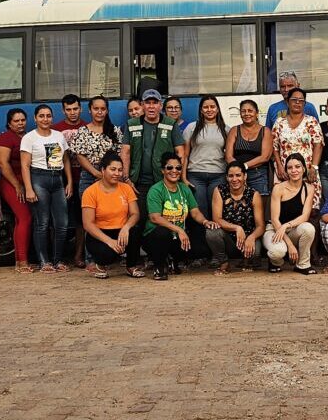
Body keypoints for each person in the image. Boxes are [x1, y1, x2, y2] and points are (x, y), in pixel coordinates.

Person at [143, 152, 219, 280]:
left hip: (178, 237)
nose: (174, 171)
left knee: (201, 249)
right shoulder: (156, 190)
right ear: (162, 170)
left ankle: (173, 259)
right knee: (162, 233)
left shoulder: (184, 189)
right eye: (169, 168)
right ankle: (159, 266)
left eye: (178, 168)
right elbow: (154, 217)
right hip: (156, 237)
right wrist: (178, 229)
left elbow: (195, 212)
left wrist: (205, 221)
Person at [20, 104, 73, 273]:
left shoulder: (58, 136)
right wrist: (28, 188)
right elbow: (24, 165)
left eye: (48, 116)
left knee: (62, 224)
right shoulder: (29, 138)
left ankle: (58, 260)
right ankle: (45, 262)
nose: (45, 119)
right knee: (42, 223)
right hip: (38, 178)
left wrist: (69, 182)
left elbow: (65, 161)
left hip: (57, 179)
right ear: (35, 118)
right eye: (41, 116)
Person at [120, 89, 186, 222]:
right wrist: (126, 179)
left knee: (164, 219)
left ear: (160, 106)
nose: (151, 106)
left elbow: (180, 153)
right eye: (148, 103)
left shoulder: (170, 124)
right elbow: (125, 152)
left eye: (154, 103)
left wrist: (178, 176)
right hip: (138, 184)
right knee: (139, 219)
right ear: (142, 105)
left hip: (163, 182)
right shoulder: (132, 124)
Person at [81, 151, 144, 279]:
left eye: (120, 170)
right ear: (103, 170)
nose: (117, 173)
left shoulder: (126, 188)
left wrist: (126, 228)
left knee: (135, 232)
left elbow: (135, 213)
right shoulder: (90, 191)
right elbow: (88, 224)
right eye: (113, 169)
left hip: (121, 231)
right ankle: (100, 265)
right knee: (107, 253)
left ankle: (131, 266)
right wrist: (109, 241)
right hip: (100, 234)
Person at [206, 161, 265, 275]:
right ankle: (224, 263)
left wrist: (252, 237)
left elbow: (261, 226)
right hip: (228, 239)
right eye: (231, 176)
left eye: (238, 175)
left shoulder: (253, 194)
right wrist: (237, 228)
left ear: (245, 176)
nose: (234, 179)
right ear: (226, 177)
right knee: (211, 232)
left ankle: (247, 261)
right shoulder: (219, 191)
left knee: (256, 252)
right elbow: (216, 219)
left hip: (247, 239)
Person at [263, 153, 317, 274]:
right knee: (277, 252)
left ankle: (303, 264)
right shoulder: (278, 188)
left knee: (308, 228)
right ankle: (275, 262)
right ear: (286, 170)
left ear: (303, 169)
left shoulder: (309, 188)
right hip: (274, 229)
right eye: (290, 168)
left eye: (297, 167)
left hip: (292, 229)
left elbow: (305, 216)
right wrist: (290, 245)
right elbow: (275, 219)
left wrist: (286, 225)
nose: (294, 170)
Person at [0, 108, 33, 273]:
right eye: (16, 121)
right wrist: (17, 185)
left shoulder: (29, 137)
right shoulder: (5, 138)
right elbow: (3, 164)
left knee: (21, 220)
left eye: (22, 120)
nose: (20, 123)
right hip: (12, 184)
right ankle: (22, 261)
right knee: (25, 217)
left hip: (27, 182)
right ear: (9, 123)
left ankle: (20, 261)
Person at [183, 95, 230, 228]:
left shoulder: (226, 129)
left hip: (218, 175)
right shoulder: (192, 127)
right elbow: (185, 155)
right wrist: (184, 178)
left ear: (217, 109)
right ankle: (200, 244)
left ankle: (214, 242)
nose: (209, 109)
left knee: (216, 212)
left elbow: (229, 155)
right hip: (195, 175)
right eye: (206, 107)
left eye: (212, 106)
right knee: (199, 211)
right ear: (201, 110)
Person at [53, 94, 87, 269]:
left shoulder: (87, 128)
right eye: (68, 109)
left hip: (84, 181)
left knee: (82, 222)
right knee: (60, 221)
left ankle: (79, 256)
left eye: (75, 109)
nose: (72, 113)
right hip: (62, 181)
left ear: (81, 108)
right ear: (63, 110)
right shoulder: (55, 130)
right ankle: (57, 257)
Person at [72, 95, 124, 200]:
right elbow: (80, 156)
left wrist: (107, 174)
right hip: (89, 176)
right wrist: (97, 174)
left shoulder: (115, 130)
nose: (99, 112)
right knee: (89, 211)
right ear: (90, 110)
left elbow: (120, 154)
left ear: (107, 111)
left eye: (103, 109)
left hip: (111, 175)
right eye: (96, 109)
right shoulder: (83, 131)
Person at [271, 88, 323, 191]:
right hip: (285, 172)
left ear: (304, 103)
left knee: (310, 204)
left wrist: (314, 167)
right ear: (288, 101)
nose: (297, 102)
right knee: (285, 204)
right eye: (294, 99)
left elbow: (318, 145)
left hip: (307, 171)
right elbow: (274, 147)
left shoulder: (311, 121)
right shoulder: (279, 122)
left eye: (301, 100)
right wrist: (279, 167)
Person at [225, 99, 272, 196]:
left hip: (258, 175)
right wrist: (238, 172)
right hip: (237, 177)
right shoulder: (234, 130)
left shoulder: (265, 131)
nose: (247, 114)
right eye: (243, 111)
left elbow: (265, 157)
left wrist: (244, 167)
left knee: (259, 208)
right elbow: (228, 156)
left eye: (250, 111)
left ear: (257, 113)